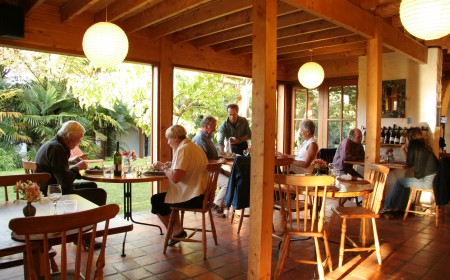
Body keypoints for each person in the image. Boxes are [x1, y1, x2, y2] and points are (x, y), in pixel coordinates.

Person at [151, 125, 209, 246]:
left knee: (156, 200)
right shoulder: (194, 147)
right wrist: (172, 165)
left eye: (169, 139)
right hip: (203, 195)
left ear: (176, 138)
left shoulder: (183, 149)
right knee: (169, 197)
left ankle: (175, 231)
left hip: (194, 197)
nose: (168, 142)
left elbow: (175, 178)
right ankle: (178, 229)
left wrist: (163, 167)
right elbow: (189, 166)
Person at [35, 121, 107, 206]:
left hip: (49, 187)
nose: (80, 141)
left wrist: (69, 162)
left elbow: (54, 167)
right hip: (54, 193)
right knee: (101, 193)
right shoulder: (57, 148)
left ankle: (82, 215)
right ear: (72, 137)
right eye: (80, 137)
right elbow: (64, 181)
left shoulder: (52, 144)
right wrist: (77, 167)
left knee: (92, 185)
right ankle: (86, 218)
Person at [383, 127, 439, 217]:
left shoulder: (414, 146)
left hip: (428, 182)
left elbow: (408, 162)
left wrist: (403, 149)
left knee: (400, 182)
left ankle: (386, 207)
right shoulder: (423, 146)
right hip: (436, 181)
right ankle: (400, 208)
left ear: (409, 137)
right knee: (405, 183)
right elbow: (411, 162)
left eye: (406, 137)